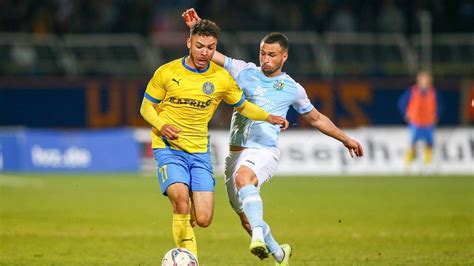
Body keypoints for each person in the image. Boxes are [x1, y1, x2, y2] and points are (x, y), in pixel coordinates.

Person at [183, 9, 364, 266]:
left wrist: (346, 139)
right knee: (245, 217)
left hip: (264, 149)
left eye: (272, 55)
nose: (265, 59)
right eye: (262, 54)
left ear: (284, 56)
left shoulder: (292, 88)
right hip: (235, 152)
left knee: (244, 178)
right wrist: (195, 28)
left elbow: (316, 118)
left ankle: (257, 236)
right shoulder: (244, 71)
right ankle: (280, 253)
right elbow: (208, 53)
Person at [140, 19, 289, 259]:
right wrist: (161, 125)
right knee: (179, 199)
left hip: (199, 151)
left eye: (210, 47)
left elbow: (243, 106)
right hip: (168, 147)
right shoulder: (167, 72)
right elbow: (146, 107)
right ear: (189, 43)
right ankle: (189, 259)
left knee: (204, 219)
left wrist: (268, 116)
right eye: (199, 46)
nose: (204, 52)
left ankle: (187, 209)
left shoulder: (221, 78)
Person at [398, 71, 442, 167]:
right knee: (412, 142)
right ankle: (408, 163)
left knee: (429, 142)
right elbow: (401, 103)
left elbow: (440, 105)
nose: (425, 81)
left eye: (427, 79)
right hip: (415, 121)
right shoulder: (412, 91)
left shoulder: (434, 92)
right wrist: (405, 114)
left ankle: (428, 163)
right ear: (418, 80)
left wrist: (437, 115)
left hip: (429, 121)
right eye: (423, 79)